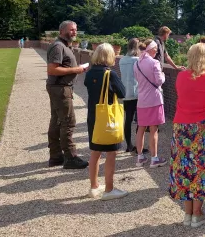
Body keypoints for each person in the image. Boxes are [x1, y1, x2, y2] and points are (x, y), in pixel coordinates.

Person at [170, 43, 205, 228]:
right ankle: (197, 213)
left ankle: (187, 213)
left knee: (184, 169)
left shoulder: (180, 76)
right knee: (202, 169)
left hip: (182, 127)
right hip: (204, 128)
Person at [84, 43, 128, 200]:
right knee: (111, 153)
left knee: (95, 152)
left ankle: (93, 186)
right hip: (108, 118)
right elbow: (122, 92)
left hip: (94, 116)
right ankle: (109, 188)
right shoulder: (110, 74)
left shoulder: (89, 73)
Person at [46, 20, 89, 169]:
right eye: (71, 30)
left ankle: (56, 156)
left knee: (57, 120)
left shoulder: (63, 46)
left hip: (59, 87)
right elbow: (52, 70)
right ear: (62, 31)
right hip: (60, 88)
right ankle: (70, 158)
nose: (74, 32)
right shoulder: (58, 47)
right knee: (68, 122)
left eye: (75, 30)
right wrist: (76, 70)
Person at [133, 39, 166, 168]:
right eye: (155, 50)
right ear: (151, 49)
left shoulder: (136, 63)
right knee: (154, 130)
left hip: (141, 100)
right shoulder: (154, 63)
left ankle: (140, 157)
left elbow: (137, 79)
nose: (156, 52)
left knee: (141, 128)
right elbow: (159, 81)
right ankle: (154, 158)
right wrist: (163, 75)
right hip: (154, 99)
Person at [118, 38, 146, 154]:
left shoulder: (122, 60)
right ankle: (139, 145)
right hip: (137, 92)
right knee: (140, 121)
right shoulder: (137, 60)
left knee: (128, 119)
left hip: (126, 92)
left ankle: (129, 144)